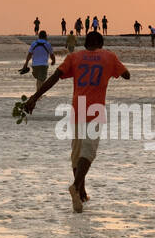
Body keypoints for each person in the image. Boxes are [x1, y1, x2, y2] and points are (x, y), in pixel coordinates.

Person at [24, 30, 130, 213]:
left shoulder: (75, 57)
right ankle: (75, 186)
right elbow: (127, 75)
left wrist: (34, 97)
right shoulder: (109, 57)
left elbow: (54, 78)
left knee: (77, 151)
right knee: (88, 152)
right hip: (95, 110)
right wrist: (111, 62)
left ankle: (81, 191)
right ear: (101, 44)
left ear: (85, 44)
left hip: (77, 108)